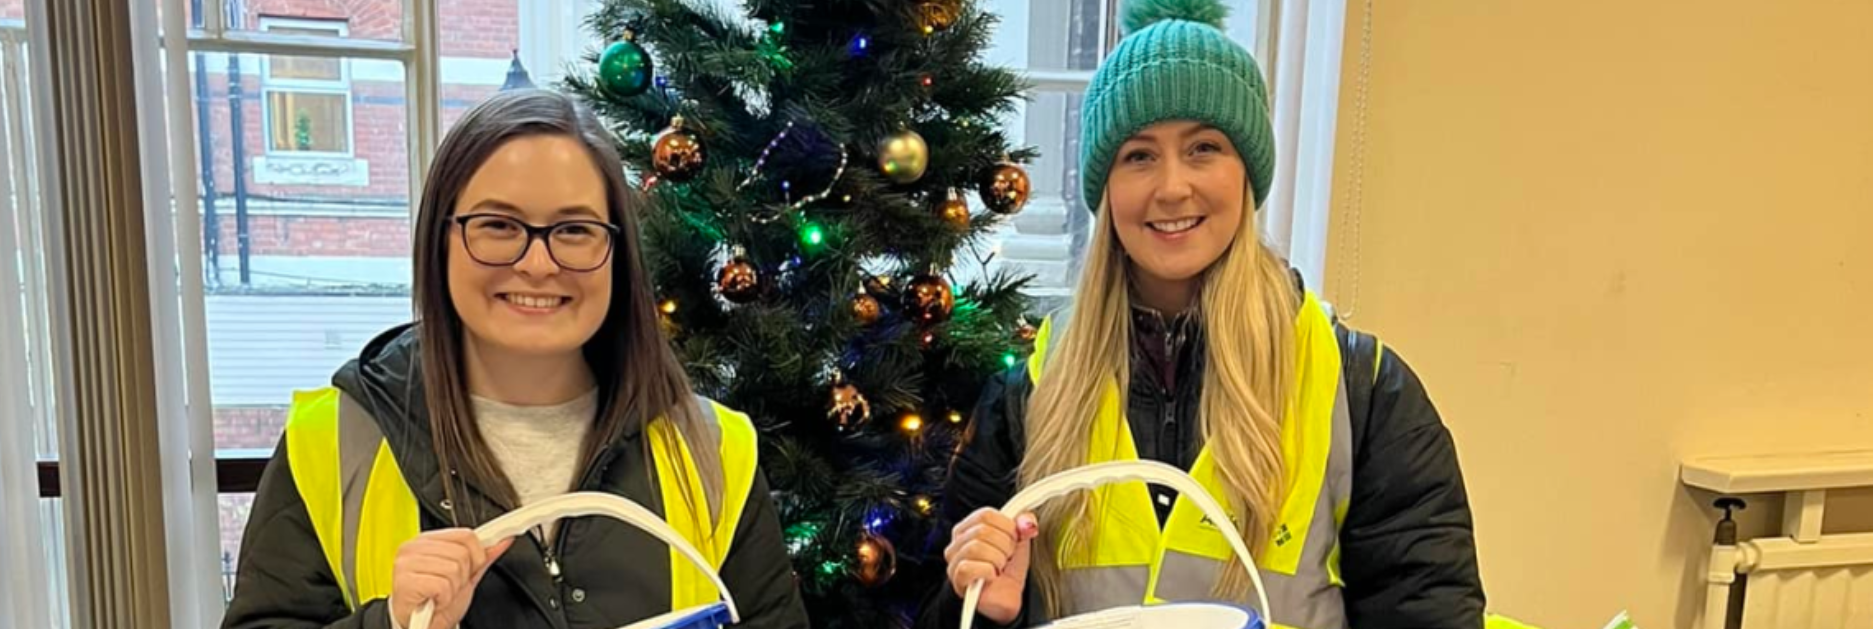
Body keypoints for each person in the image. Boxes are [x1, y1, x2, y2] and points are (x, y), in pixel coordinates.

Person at [925, 1, 1485, 628]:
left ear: (1248, 172)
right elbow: (950, 614)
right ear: (1106, 187)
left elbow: (1429, 612)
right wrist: (984, 611)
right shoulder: (1027, 396)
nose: (1171, 188)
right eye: (1139, 156)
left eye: (1203, 148)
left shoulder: (1363, 391)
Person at [223, 90, 809, 629]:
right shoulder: (333, 445)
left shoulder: (714, 451)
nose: (537, 264)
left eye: (574, 229)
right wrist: (393, 623)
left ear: (617, 250)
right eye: (498, 225)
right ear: (441, 240)